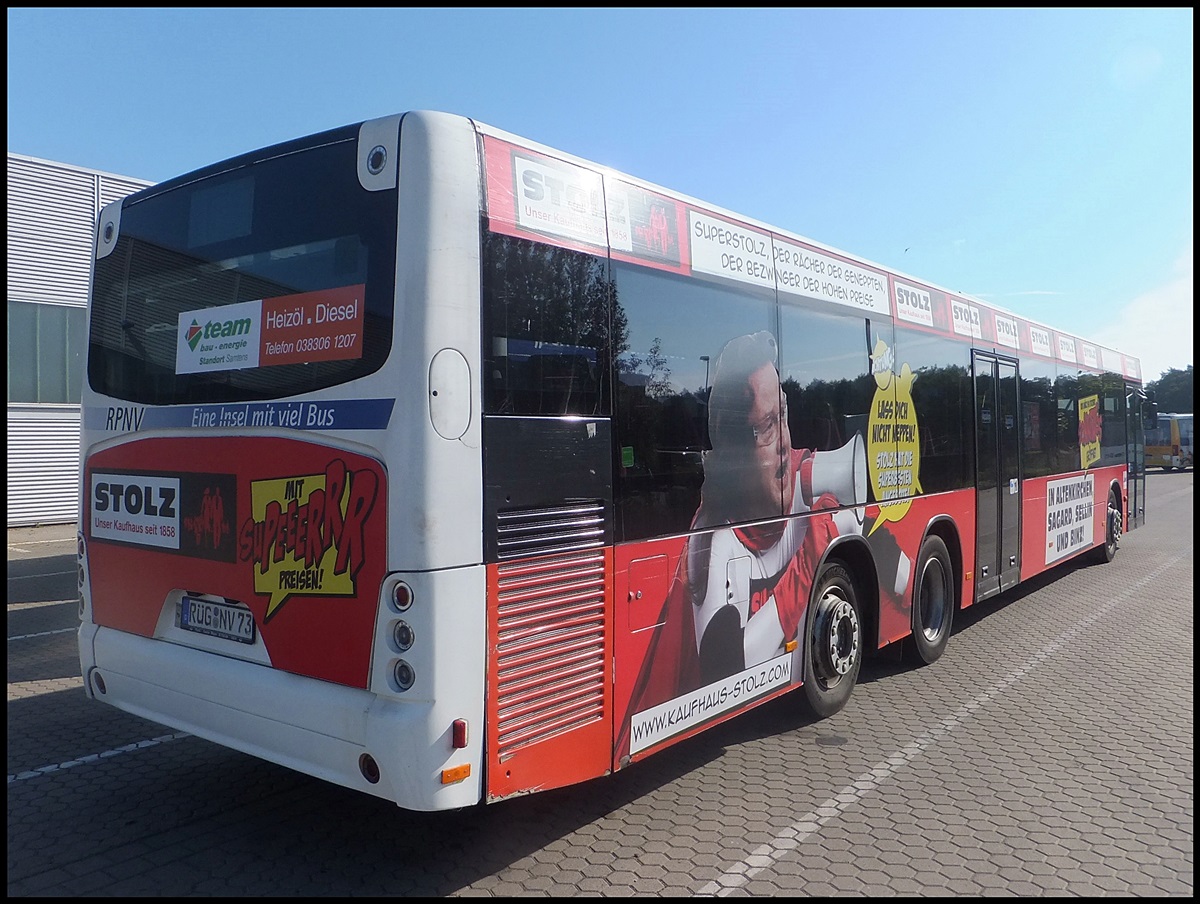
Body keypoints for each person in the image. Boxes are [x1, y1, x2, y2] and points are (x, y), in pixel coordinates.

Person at [618, 330, 869, 754]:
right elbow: (727, 670)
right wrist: (808, 562)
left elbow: (893, 561)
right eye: (769, 426)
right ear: (732, 448)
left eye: (784, 415)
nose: (788, 445)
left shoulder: (793, 483)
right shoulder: (714, 540)